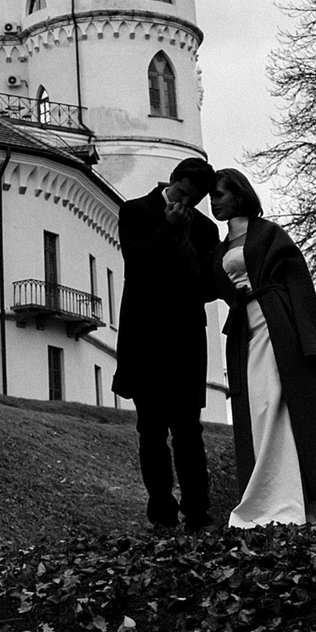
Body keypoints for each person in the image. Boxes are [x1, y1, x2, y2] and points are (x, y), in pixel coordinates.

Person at [207, 167, 316, 527]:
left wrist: (311, 342)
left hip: (277, 324)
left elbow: (300, 285)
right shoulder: (220, 248)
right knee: (259, 407)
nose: (214, 202)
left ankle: (291, 496)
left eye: (220, 194)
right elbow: (212, 281)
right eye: (212, 196)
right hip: (246, 331)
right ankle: (271, 493)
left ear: (240, 196)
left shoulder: (270, 235)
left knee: (281, 400)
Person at [110, 155, 225, 530]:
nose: (183, 203)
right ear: (170, 181)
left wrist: (185, 237)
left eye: (192, 199)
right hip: (145, 338)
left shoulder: (205, 231)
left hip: (185, 338)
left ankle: (198, 512)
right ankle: (161, 511)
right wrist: (170, 230)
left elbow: (208, 285)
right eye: (180, 193)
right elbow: (137, 263)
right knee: (152, 429)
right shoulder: (135, 211)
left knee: (189, 430)